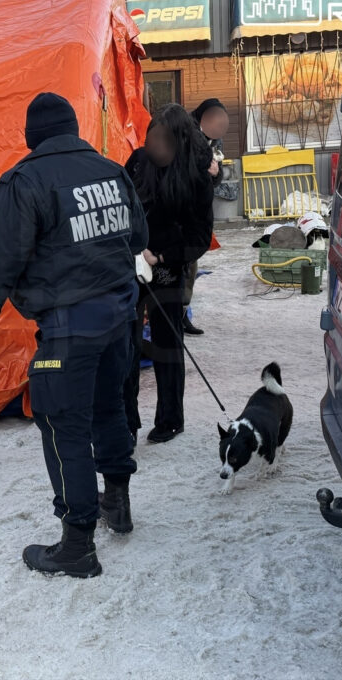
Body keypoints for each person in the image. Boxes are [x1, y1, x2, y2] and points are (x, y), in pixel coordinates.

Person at [0, 92, 148, 578]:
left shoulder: (24, 181)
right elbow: (138, 239)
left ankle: (76, 544)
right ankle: (118, 502)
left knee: (63, 426)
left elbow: (0, 250)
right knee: (109, 408)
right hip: (119, 317)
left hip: (69, 329)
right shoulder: (112, 171)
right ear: (73, 129)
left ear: (33, 137)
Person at [123, 104, 214, 443]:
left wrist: (160, 256)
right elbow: (119, 207)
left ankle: (170, 418)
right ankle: (126, 423)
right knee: (126, 346)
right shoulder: (136, 162)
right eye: (152, 138)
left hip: (167, 268)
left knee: (167, 345)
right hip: (130, 265)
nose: (155, 145)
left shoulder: (196, 177)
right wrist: (131, 246)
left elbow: (199, 236)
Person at [181, 98, 231, 335]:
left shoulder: (214, 137)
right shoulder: (185, 131)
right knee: (178, 264)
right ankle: (171, 318)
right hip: (179, 208)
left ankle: (181, 314)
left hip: (197, 211)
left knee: (190, 264)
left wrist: (215, 173)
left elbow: (216, 173)